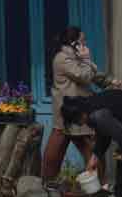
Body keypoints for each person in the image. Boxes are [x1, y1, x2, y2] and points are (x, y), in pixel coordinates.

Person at [42, 26, 108, 182]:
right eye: (83, 40)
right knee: (83, 146)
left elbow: (92, 74)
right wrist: (87, 59)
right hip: (71, 111)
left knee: (85, 145)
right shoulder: (63, 58)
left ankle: (96, 184)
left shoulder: (74, 57)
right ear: (74, 43)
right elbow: (83, 75)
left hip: (77, 109)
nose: (85, 44)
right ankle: (48, 182)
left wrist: (109, 81)